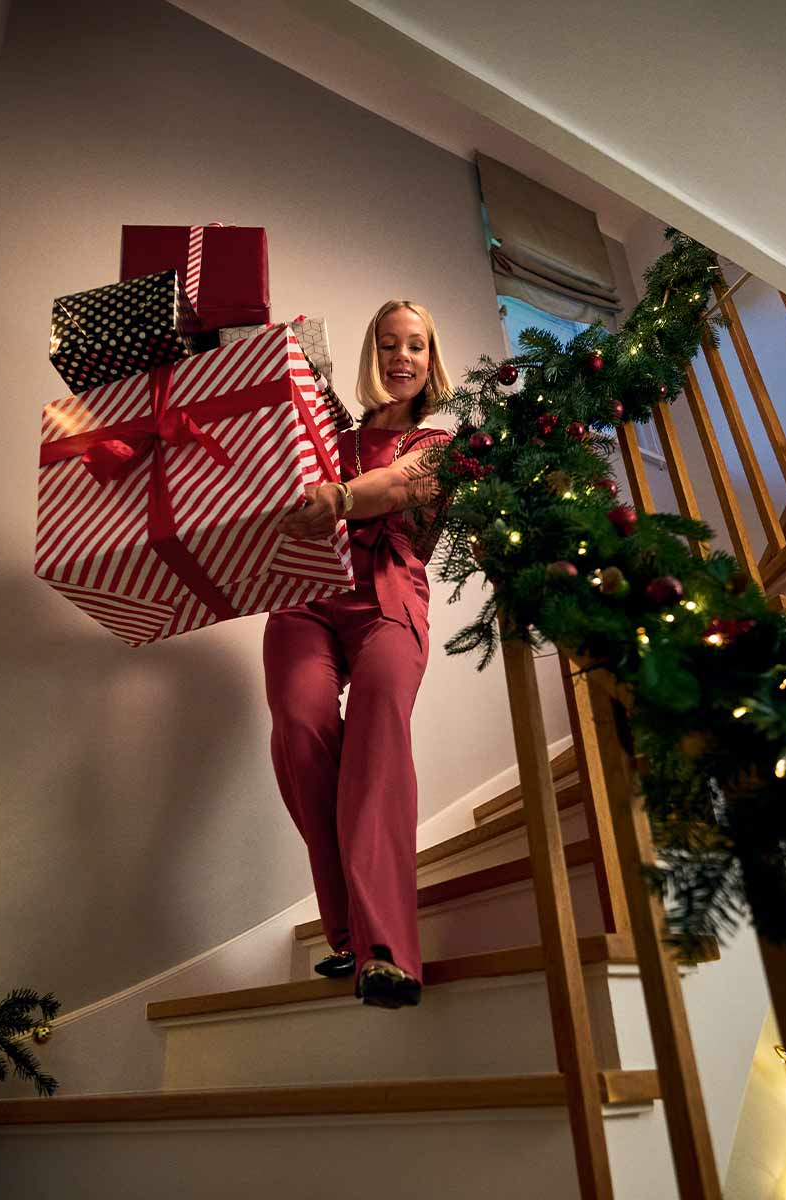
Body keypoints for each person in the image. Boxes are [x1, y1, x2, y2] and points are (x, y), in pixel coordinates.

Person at [264, 299, 455, 1009]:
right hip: (305, 596)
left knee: (377, 732)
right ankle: (342, 930)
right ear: (371, 354)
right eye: (389, 344)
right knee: (300, 725)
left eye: (417, 346)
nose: (402, 357)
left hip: (388, 600)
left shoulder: (439, 445)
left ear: (432, 362)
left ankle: (386, 951)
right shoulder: (324, 434)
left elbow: (403, 487)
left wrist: (338, 495)